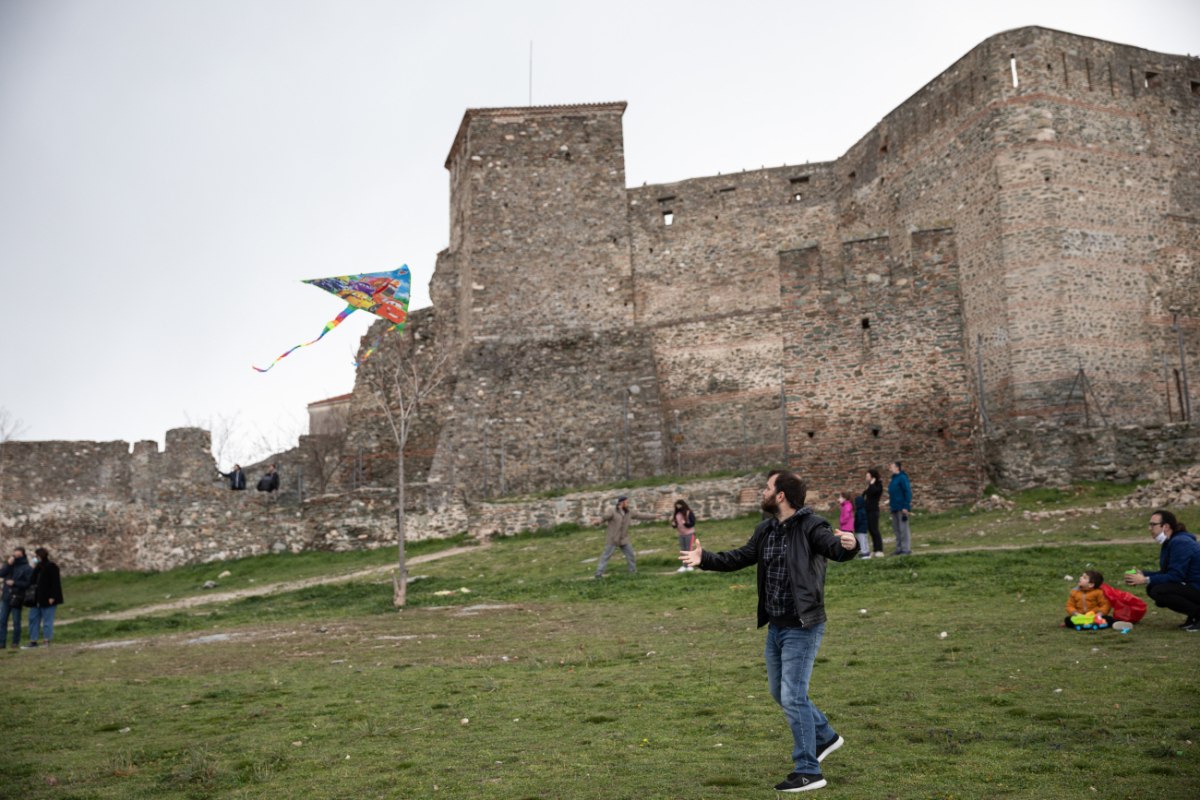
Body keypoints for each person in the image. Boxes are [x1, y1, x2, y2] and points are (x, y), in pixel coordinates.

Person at [679, 470, 858, 793]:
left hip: (803, 626)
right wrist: (703, 559)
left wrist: (850, 544)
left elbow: (835, 548)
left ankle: (808, 770)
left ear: (781, 496)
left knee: (793, 696)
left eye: (767, 487)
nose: (762, 492)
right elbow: (740, 557)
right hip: (776, 627)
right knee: (781, 693)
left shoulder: (811, 526)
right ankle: (826, 737)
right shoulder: (766, 530)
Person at [1123, 510, 1200, 631]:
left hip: (1196, 586)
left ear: (1166, 526)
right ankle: (1194, 617)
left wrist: (1144, 579)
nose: (1149, 528)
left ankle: (1198, 615)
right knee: (1153, 587)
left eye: (1153, 525)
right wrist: (1143, 574)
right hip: (1193, 585)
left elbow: (1176, 576)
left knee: (1159, 591)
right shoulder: (1171, 541)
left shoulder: (1180, 542)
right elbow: (1167, 573)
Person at [594, 496, 656, 578]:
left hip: (624, 538)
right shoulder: (612, 511)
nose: (628, 504)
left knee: (630, 555)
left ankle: (632, 571)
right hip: (613, 538)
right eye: (626, 502)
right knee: (606, 556)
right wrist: (598, 522)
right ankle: (599, 573)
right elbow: (604, 518)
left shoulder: (629, 512)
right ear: (621, 503)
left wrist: (654, 516)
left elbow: (640, 515)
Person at [23, 547, 63, 648]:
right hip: (36, 599)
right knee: (33, 619)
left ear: (40, 556)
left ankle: (47, 640)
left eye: (36, 556)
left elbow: (55, 583)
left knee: (47, 620)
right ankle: (33, 640)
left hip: (48, 598)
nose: (35, 558)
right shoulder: (38, 567)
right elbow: (32, 580)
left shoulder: (52, 567)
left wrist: (52, 596)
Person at [0, 547, 34, 649]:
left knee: (16, 621)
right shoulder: (10, 566)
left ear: (23, 555)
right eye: (15, 555)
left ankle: (15, 642)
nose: (16, 557)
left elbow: (28, 583)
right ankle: (1, 643)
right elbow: (1, 574)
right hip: (6, 596)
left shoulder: (27, 568)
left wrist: (15, 583)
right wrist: (8, 564)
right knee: (2, 620)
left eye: (18, 556)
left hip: (17, 597)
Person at [887, 461, 912, 556]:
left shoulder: (902, 478)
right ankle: (899, 548)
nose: (890, 468)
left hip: (902, 507)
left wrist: (906, 506)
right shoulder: (893, 479)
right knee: (897, 529)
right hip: (894, 507)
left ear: (897, 467)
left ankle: (906, 549)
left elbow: (907, 491)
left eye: (892, 466)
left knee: (903, 529)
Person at [671, 499, 697, 573]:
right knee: (683, 550)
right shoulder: (677, 513)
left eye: (679, 505)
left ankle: (690, 565)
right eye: (677, 506)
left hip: (689, 534)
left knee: (688, 549)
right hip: (681, 534)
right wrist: (674, 525)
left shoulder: (689, 512)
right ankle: (684, 566)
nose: (678, 507)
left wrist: (685, 523)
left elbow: (692, 523)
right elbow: (676, 523)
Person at [864, 469, 885, 558]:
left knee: (875, 530)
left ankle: (879, 549)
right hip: (868, 510)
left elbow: (874, 492)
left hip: (873, 511)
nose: (866, 478)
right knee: (871, 530)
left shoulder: (878, 486)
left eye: (867, 476)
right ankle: (875, 549)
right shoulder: (869, 486)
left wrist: (872, 484)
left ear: (872, 477)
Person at [852, 493, 871, 559]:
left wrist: (855, 525)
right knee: (865, 541)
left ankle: (864, 553)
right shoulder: (863, 510)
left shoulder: (859, 511)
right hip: (864, 529)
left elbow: (858, 521)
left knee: (862, 541)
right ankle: (866, 552)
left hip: (860, 529)